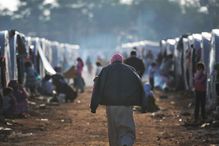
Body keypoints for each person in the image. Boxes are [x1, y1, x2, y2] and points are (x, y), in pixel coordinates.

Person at [90, 53, 145, 146]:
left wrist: (93, 106)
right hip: (126, 104)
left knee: (113, 130)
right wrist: (143, 103)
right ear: (121, 61)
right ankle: (125, 143)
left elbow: (98, 87)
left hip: (110, 105)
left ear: (112, 61)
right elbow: (139, 84)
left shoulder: (106, 70)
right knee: (127, 128)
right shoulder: (130, 70)